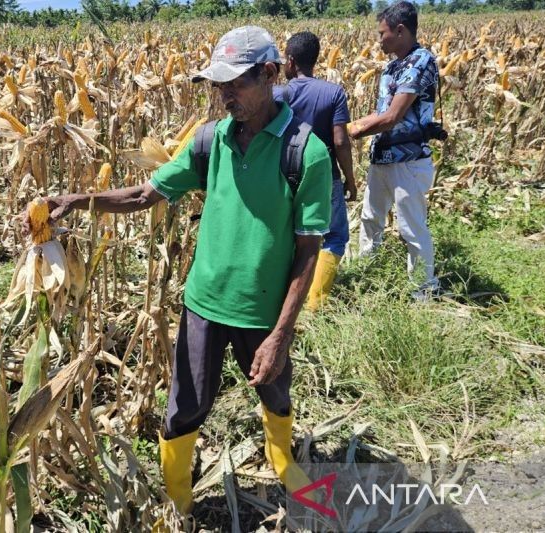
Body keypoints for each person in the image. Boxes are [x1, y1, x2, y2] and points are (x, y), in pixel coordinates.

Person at [42, 26, 332, 514]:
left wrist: (281, 334)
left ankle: (281, 457)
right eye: (218, 86)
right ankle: (177, 500)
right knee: (187, 405)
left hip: (263, 310)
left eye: (234, 84)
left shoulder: (305, 153)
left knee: (275, 391)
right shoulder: (208, 141)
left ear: (269, 73)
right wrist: (76, 200)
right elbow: (143, 195)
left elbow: (308, 251)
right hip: (203, 303)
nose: (223, 96)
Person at [349, 1, 441, 300]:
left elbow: (392, 117)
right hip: (383, 156)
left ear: (400, 30)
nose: (379, 40)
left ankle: (422, 291)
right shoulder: (392, 66)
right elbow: (382, 113)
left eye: (382, 33)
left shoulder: (420, 62)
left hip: (408, 158)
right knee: (371, 217)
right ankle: (367, 270)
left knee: (411, 227)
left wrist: (351, 130)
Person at [275, 31, 356, 311]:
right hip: (325, 177)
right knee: (332, 237)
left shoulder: (277, 94)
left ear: (291, 61)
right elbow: (341, 141)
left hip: (284, 176)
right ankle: (314, 305)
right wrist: (350, 179)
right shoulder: (333, 93)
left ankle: (282, 299)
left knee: (288, 235)